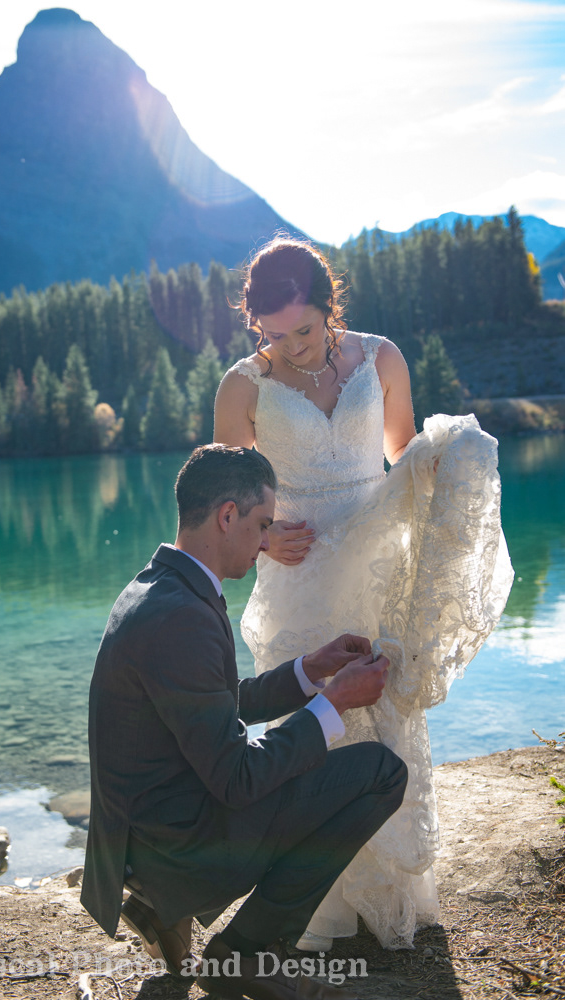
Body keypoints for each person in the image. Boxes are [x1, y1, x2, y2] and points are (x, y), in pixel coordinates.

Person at [214, 238, 514, 950]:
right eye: (272, 335)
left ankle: (393, 900)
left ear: (329, 306)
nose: (289, 348)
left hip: (378, 565)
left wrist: (451, 460)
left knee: (386, 715)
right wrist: (263, 536)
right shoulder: (242, 387)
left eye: (304, 331)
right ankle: (312, 910)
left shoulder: (380, 358)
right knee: (317, 725)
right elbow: (228, 498)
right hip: (299, 574)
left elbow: (403, 458)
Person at [81, 444, 408, 1000]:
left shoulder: (156, 587)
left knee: (321, 766)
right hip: (178, 849)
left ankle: (161, 909)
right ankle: (246, 953)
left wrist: (312, 670)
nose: (265, 541)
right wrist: (336, 705)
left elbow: (212, 704)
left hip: (141, 839)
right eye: (261, 524)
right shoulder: (184, 615)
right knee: (380, 772)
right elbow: (237, 779)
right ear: (226, 515)